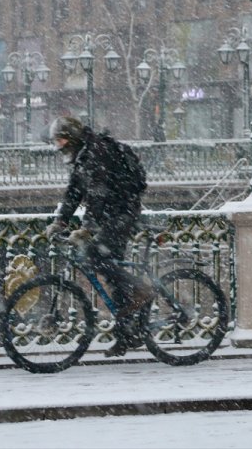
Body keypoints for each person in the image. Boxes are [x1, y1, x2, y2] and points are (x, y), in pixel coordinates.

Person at [44, 116, 152, 357]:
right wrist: (60, 220)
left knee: (96, 256)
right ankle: (129, 334)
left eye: (61, 140)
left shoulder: (96, 152)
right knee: (113, 274)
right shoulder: (82, 156)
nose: (58, 146)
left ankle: (141, 291)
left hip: (122, 212)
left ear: (72, 137)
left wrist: (88, 228)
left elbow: (97, 192)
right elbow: (74, 192)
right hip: (110, 214)